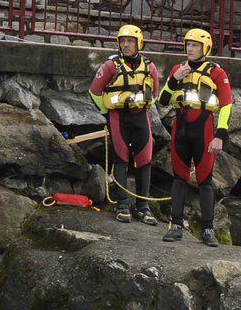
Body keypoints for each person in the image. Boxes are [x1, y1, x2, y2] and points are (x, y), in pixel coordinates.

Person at [157, 28, 231, 246]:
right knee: (179, 177)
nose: (190, 48)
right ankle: (176, 226)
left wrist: (220, 136)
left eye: (195, 45)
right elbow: (162, 100)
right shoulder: (178, 69)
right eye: (188, 44)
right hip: (180, 129)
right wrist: (174, 79)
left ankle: (208, 230)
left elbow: (226, 105)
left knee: (205, 180)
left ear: (205, 48)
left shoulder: (217, 72)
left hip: (204, 130)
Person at [88, 24, 162, 224]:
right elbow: (94, 91)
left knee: (144, 161)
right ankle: (122, 205)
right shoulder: (111, 65)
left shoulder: (149, 66)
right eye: (123, 41)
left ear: (139, 43)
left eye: (130, 41)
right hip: (118, 118)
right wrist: (106, 113)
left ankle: (143, 207)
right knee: (121, 160)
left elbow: (154, 94)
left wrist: (141, 105)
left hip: (141, 118)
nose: (126, 45)